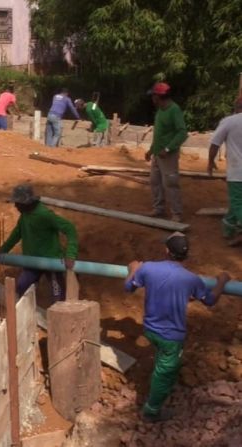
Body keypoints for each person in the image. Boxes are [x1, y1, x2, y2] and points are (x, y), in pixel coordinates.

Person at [124, 232, 230, 422]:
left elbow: (128, 287)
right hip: (171, 338)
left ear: (166, 251)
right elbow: (210, 300)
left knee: (161, 358)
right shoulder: (191, 279)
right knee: (164, 373)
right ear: (186, 255)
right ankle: (152, 411)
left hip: (150, 329)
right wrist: (221, 281)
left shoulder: (148, 268)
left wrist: (132, 269)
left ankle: (157, 386)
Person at [0, 184, 78, 300]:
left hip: (51, 261)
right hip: (32, 261)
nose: (15, 206)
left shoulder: (44, 215)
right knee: (21, 290)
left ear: (26, 203)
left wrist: (70, 254)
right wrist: (4, 249)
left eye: (18, 203)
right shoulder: (24, 216)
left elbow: (70, 229)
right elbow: (17, 233)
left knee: (58, 298)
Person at [145, 82, 188, 222]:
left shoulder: (174, 110)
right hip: (158, 153)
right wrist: (151, 150)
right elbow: (159, 134)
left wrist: (168, 148)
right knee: (155, 181)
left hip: (168, 155)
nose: (152, 98)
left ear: (158, 96)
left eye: (153, 95)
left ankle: (177, 213)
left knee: (171, 183)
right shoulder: (160, 110)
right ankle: (159, 208)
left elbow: (182, 133)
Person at [207, 97, 242, 242]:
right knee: (237, 204)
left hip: (237, 172)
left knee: (237, 202)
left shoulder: (230, 121)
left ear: (236, 107)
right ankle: (228, 231)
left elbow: (215, 143)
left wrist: (210, 162)